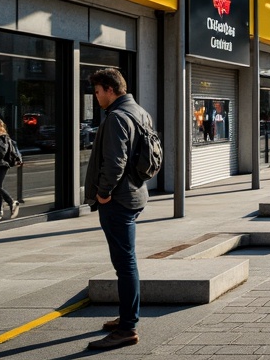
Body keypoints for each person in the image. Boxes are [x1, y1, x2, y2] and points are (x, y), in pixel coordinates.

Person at [84, 67, 153, 351]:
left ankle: (127, 328)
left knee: (124, 264)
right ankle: (127, 316)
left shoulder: (116, 118)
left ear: (111, 90)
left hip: (118, 200)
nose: (96, 97)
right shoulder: (140, 112)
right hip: (135, 195)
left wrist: (102, 194)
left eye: (98, 91)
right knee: (126, 262)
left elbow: (115, 162)